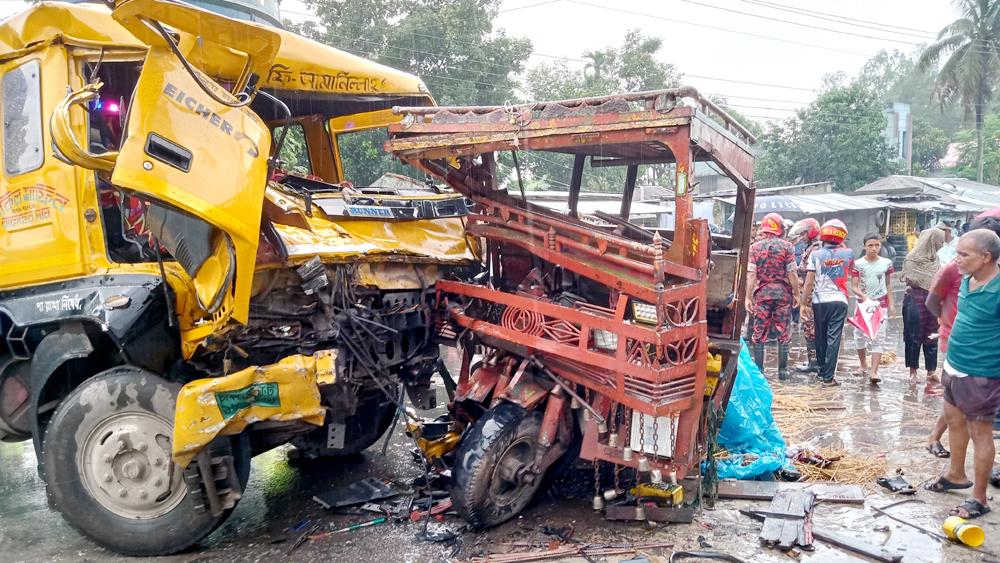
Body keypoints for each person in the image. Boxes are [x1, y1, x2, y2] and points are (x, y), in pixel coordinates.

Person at [925, 229, 1000, 520]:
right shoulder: (968, 279)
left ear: (986, 257)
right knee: (955, 422)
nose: (957, 259)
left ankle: (979, 498)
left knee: (979, 433)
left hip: (982, 373)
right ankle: (955, 474)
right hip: (954, 365)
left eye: (964, 254)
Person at [745, 213, 800, 379]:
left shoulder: (755, 248)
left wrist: (748, 297)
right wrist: (797, 293)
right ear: (780, 228)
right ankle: (783, 371)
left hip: (762, 295)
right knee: (783, 332)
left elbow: (752, 275)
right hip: (783, 295)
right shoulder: (787, 247)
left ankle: (760, 372)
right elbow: (792, 273)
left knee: (759, 333)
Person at [800, 219, 854, 386]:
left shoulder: (815, 255)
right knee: (833, 338)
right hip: (839, 300)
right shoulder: (848, 253)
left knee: (821, 337)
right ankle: (828, 378)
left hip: (819, 301)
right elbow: (849, 273)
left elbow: (809, 282)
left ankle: (822, 372)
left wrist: (803, 304)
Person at [902, 228, 945, 383]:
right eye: (939, 240)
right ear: (931, 240)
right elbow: (911, 278)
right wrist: (930, 283)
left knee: (931, 335)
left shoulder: (936, 259)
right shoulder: (912, 258)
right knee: (914, 335)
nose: (941, 243)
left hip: (934, 300)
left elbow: (939, 279)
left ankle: (931, 370)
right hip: (916, 298)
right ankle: (913, 371)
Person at [851, 234, 895, 384]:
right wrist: (864, 297)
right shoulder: (858, 264)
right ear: (864, 247)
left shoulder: (887, 263)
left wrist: (892, 304)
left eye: (877, 245)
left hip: (880, 304)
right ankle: (863, 364)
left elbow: (888, 285)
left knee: (879, 337)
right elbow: (854, 287)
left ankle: (874, 371)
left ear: (880, 246)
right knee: (860, 335)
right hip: (863, 304)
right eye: (870, 245)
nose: (874, 248)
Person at [789, 218, 821, 373]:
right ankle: (816, 362)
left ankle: (814, 363)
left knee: (810, 329)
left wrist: (802, 300)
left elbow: (809, 277)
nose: (801, 237)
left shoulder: (814, 249)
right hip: (811, 295)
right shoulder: (813, 247)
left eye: (803, 234)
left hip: (811, 296)